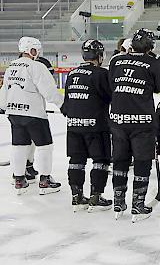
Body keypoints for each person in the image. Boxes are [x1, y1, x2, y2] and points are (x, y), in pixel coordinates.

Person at [108, 29, 160, 222]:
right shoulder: (153, 63)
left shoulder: (116, 60)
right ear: (150, 46)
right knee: (141, 163)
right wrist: (159, 64)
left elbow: (112, 84)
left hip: (118, 120)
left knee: (120, 161)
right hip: (142, 122)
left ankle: (118, 202)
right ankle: (138, 205)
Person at [0, 36, 64, 194]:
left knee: (19, 146)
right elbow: (49, 91)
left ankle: (19, 180)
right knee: (45, 146)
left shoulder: (10, 68)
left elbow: (4, 91)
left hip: (14, 113)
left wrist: (3, 106)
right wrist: (64, 105)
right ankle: (45, 181)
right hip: (34, 114)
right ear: (31, 50)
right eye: (37, 50)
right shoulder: (37, 67)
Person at [60, 39, 113, 212]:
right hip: (96, 126)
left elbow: (67, 103)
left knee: (76, 160)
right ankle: (96, 196)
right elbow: (109, 97)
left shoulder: (72, 73)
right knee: (101, 160)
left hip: (74, 126)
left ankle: (76, 196)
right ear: (99, 55)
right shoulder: (101, 74)